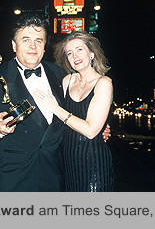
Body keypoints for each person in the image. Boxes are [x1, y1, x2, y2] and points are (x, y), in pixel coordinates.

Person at [0, 14, 111, 192]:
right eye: (26, 40)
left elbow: (79, 107)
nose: (33, 46)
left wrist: (99, 126)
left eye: (38, 40)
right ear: (14, 45)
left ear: (44, 47)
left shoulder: (61, 75)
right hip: (15, 175)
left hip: (58, 172)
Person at [32, 31, 114, 191]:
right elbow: (58, 122)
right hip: (67, 160)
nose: (74, 56)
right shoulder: (67, 81)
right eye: (69, 53)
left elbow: (90, 131)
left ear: (91, 53)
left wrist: (56, 108)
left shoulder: (104, 83)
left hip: (93, 162)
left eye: (79, 49)